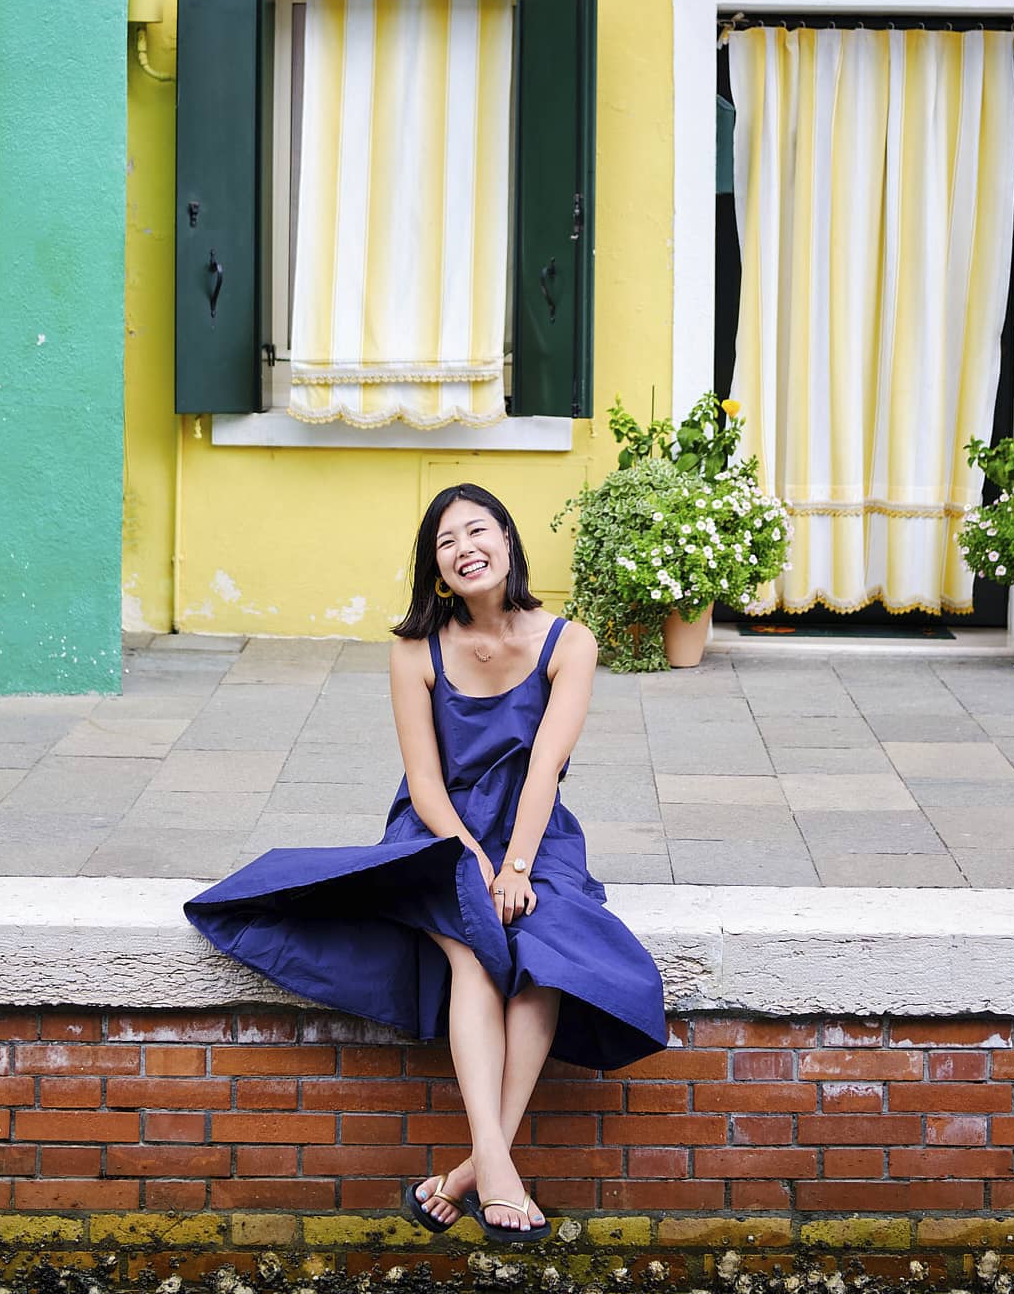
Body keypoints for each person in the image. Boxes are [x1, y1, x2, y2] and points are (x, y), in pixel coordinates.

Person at [184, 484, 667, 1244]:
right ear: (435, 569)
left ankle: (473, 1170)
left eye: (477, 531)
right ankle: (497, 1168)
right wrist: (472, 861)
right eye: (446, 542)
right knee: (475, 954)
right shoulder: (415, 650)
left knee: (546, 962)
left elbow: (544, 768)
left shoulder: (569, 643)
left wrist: (515, 865)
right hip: (437, 835)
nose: (465, 549)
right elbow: (424, 782)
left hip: (534, 835)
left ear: (508, 540)